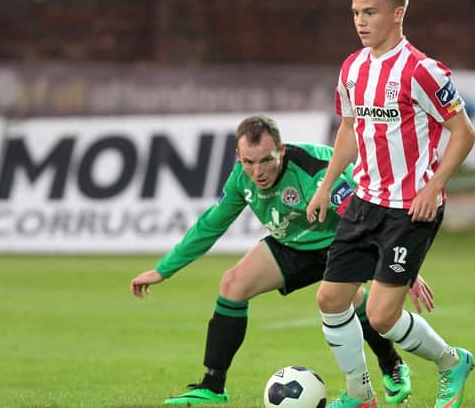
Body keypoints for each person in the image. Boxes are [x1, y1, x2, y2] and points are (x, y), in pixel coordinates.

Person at [130, 115, 435, 406]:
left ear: (281, 150)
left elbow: (364, 219)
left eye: (266, 160)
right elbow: (211, 224)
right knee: (233, 284)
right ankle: (212, 386)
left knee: (355, 303)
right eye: (248, 162)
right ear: (239, 156)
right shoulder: (242, 179)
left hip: (343, 240)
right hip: (291, 243)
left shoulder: (313, 170)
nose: (257, 171)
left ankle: (391, 364)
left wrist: (404, 270)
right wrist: (162, 270)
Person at [306, 0, 475, 408]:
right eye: (356, 12)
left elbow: (464, 133)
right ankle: (360, 394)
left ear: (398, 13)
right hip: (364, 201)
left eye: (371, 12)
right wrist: (326, 185)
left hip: (410, 209)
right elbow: (349, 129)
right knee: (329, 298)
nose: (361, 21)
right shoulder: (351, 69)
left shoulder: (422, 70)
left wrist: (433, 186)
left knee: (381, 316)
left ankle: (451, 362)